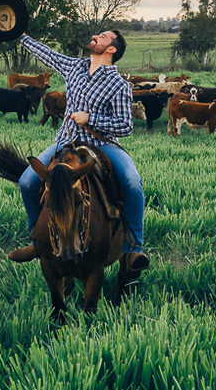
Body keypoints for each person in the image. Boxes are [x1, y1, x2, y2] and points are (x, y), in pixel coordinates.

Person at [10, 29, 149, 271]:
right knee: (27, 182)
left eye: (103, 36)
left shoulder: (119, 84)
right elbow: (47, 54)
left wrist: (90, 118)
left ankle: (134, 248)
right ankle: (36, 241)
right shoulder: (74, 67)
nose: (96, 36)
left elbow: (126, 125)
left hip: (103, 144)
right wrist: (19, 34)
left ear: (111, 49)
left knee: (132, 182)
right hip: (66, 141)